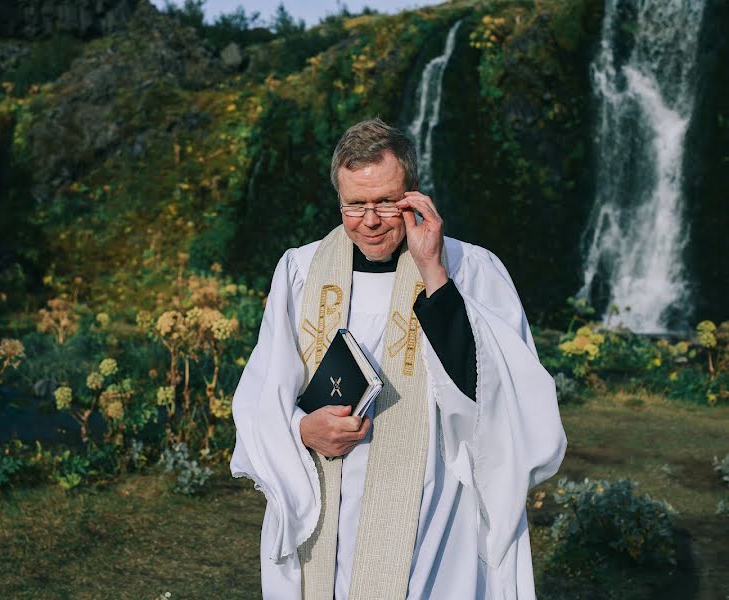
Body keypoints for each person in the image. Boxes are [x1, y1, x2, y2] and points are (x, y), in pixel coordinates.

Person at [230, 118, 566, 599]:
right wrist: (302, 430)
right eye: (355, 205)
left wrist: (432, 270)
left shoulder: (470, 268)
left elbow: (500, 397)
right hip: (328, 505)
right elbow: (262, 394)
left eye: (385, 202)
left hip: (433, 515)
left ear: (413, 194)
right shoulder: (301, 272)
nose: (369, 221)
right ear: (339, 200)